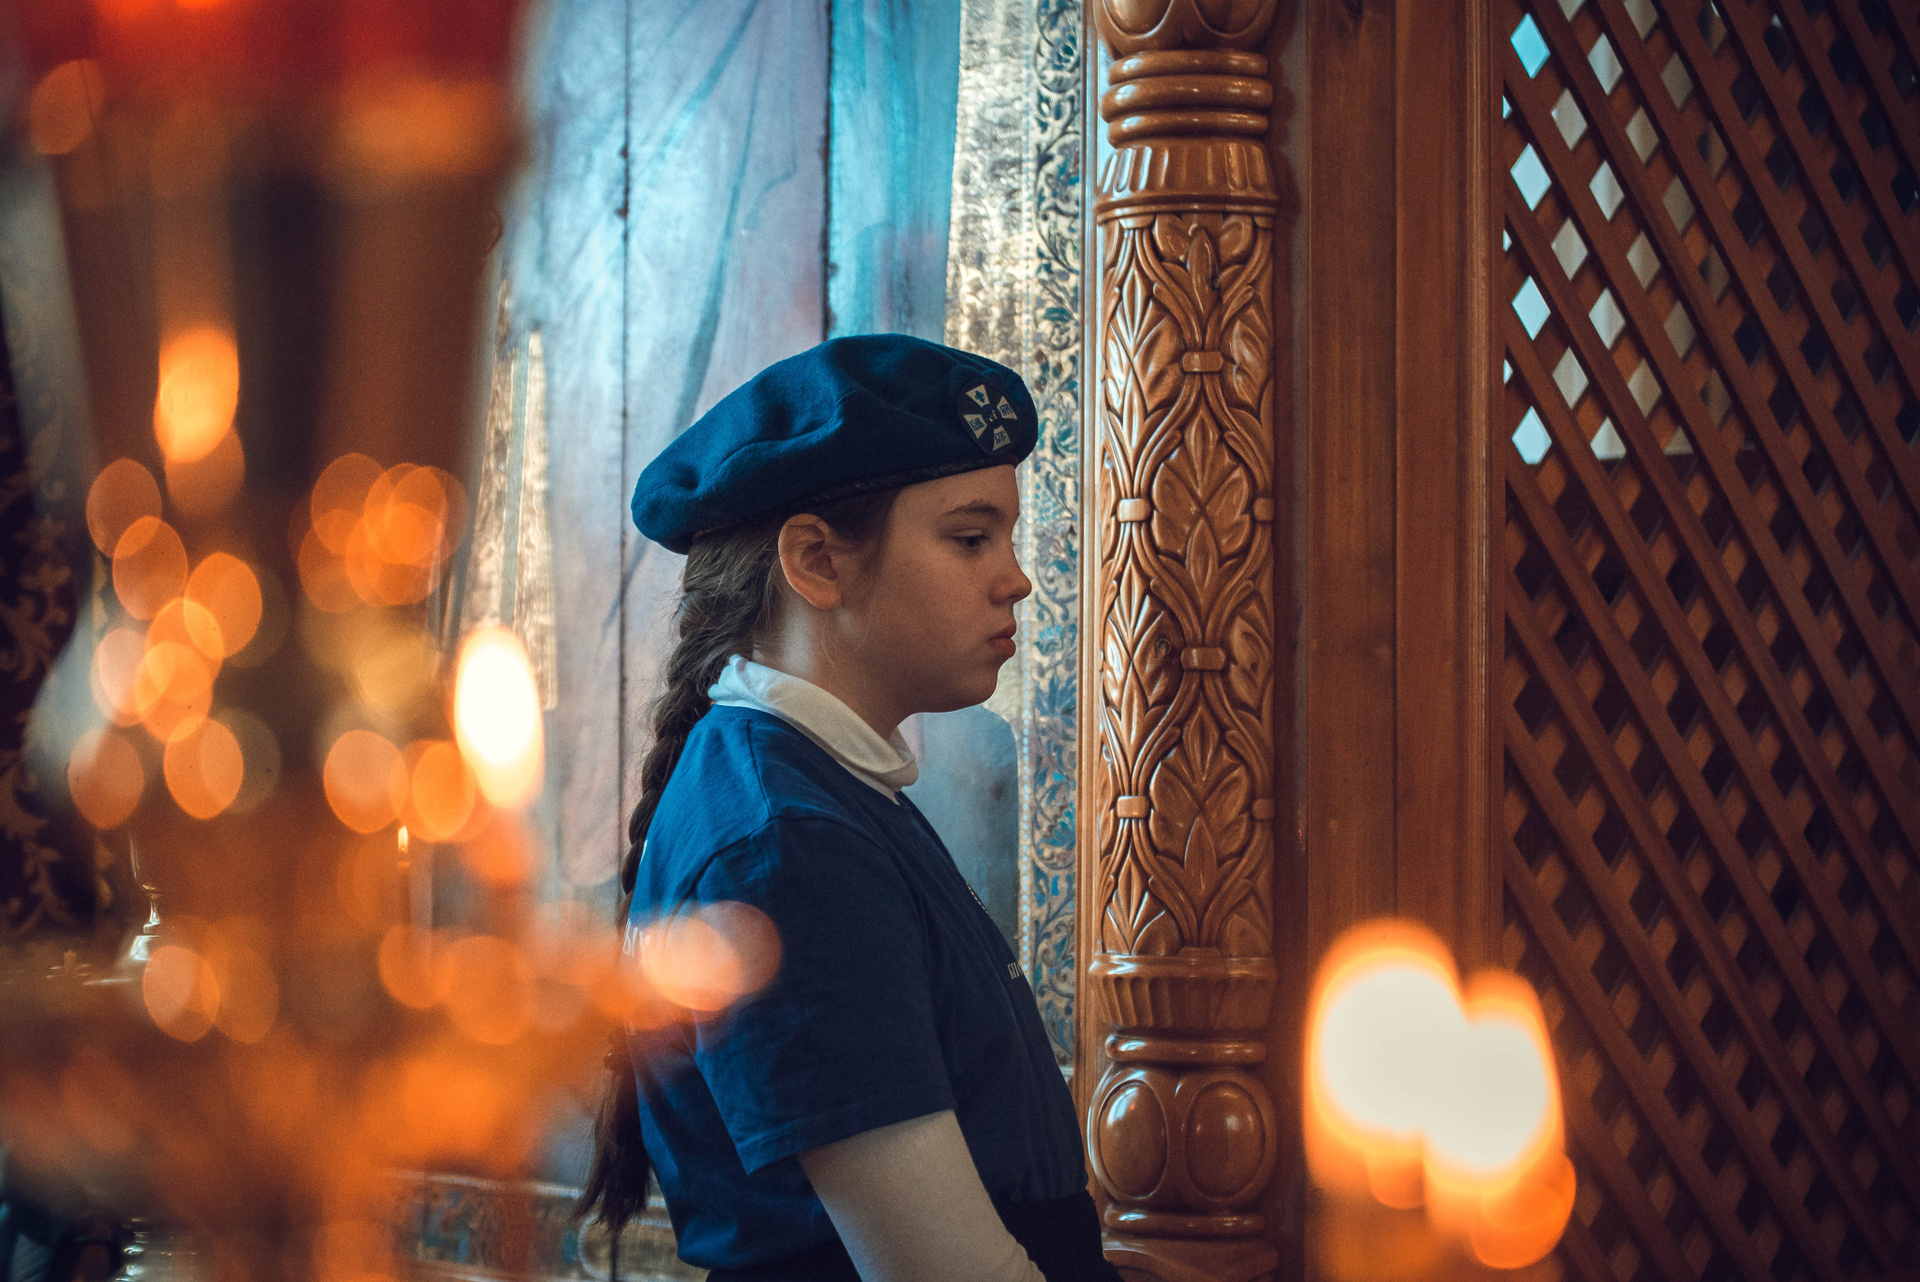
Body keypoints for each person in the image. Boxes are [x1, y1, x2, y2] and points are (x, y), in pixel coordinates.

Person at [577, 336, 1120, 1282]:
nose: (1016, 578)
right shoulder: (785, 844)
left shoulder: (820, 789)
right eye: (970, 538)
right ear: (818, 561)